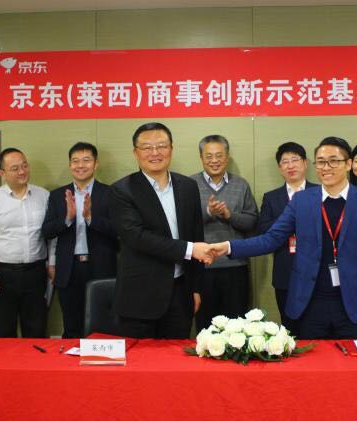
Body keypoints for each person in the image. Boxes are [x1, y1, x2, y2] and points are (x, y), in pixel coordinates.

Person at [202, 137, 357, 340]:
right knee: (311, 359)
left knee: (351, 360)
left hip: (354, 304)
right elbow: (271, 239)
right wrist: (228, 247)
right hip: (310, 304)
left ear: (348, 164)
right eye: (321, 162)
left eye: (333, 161)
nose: (326, 167)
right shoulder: (302, 200)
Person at [109, 122, 209, 339]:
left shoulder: (188, 186)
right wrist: (189, 249)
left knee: (175, 357)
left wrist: (196, 288)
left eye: (162, 146)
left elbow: (196, 234)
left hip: (181, 294)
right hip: (140, 296)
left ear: (171, 149)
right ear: (135, 153)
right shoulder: (121, 190)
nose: (155, 153)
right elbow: (137, 237)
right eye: (147, 147)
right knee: (140, 358)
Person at [0, 148, 50, 338]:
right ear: (2, 173)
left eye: (24, 165)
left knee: (37, 331)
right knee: (5, 332)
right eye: (15, 168)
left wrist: (52, 263)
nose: (22, 171)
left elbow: (52, 235)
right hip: (3, 275)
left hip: (36, 272)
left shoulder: (44, 196)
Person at [42, 142, 117, 339]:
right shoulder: (57, 195)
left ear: (96, 164)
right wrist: (67, 219)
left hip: (101, 266)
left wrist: (91, 219)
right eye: (75, 161)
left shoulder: (110, 193)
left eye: (86, 160)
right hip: (69, 268)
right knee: (71, 326)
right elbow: (46, 231)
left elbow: (119, 231)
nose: (80, 165)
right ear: (69, 165)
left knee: (101, 327)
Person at [190, 135, 258, 330]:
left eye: (219, 155)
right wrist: (208, 212)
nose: (214, 160)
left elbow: (252, 221)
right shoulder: (188, 184)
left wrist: (229, 215)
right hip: (201, 267)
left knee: (237, 326)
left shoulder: (241, 184)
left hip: (235, 266)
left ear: (227, 157)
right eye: (209, 156)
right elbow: (183, 223)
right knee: (206, 326)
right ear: (201, 157)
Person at [257, 142, 319, 332]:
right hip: (285, 270)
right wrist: (292, 221)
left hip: (316, 271)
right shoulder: (271, 197)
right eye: (285, 162)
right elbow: (264, 229)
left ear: (305, 163)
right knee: (289, 328)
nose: (290, 165)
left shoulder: (320, 192)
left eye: (295, 160)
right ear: (279, 168)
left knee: (316, 326)